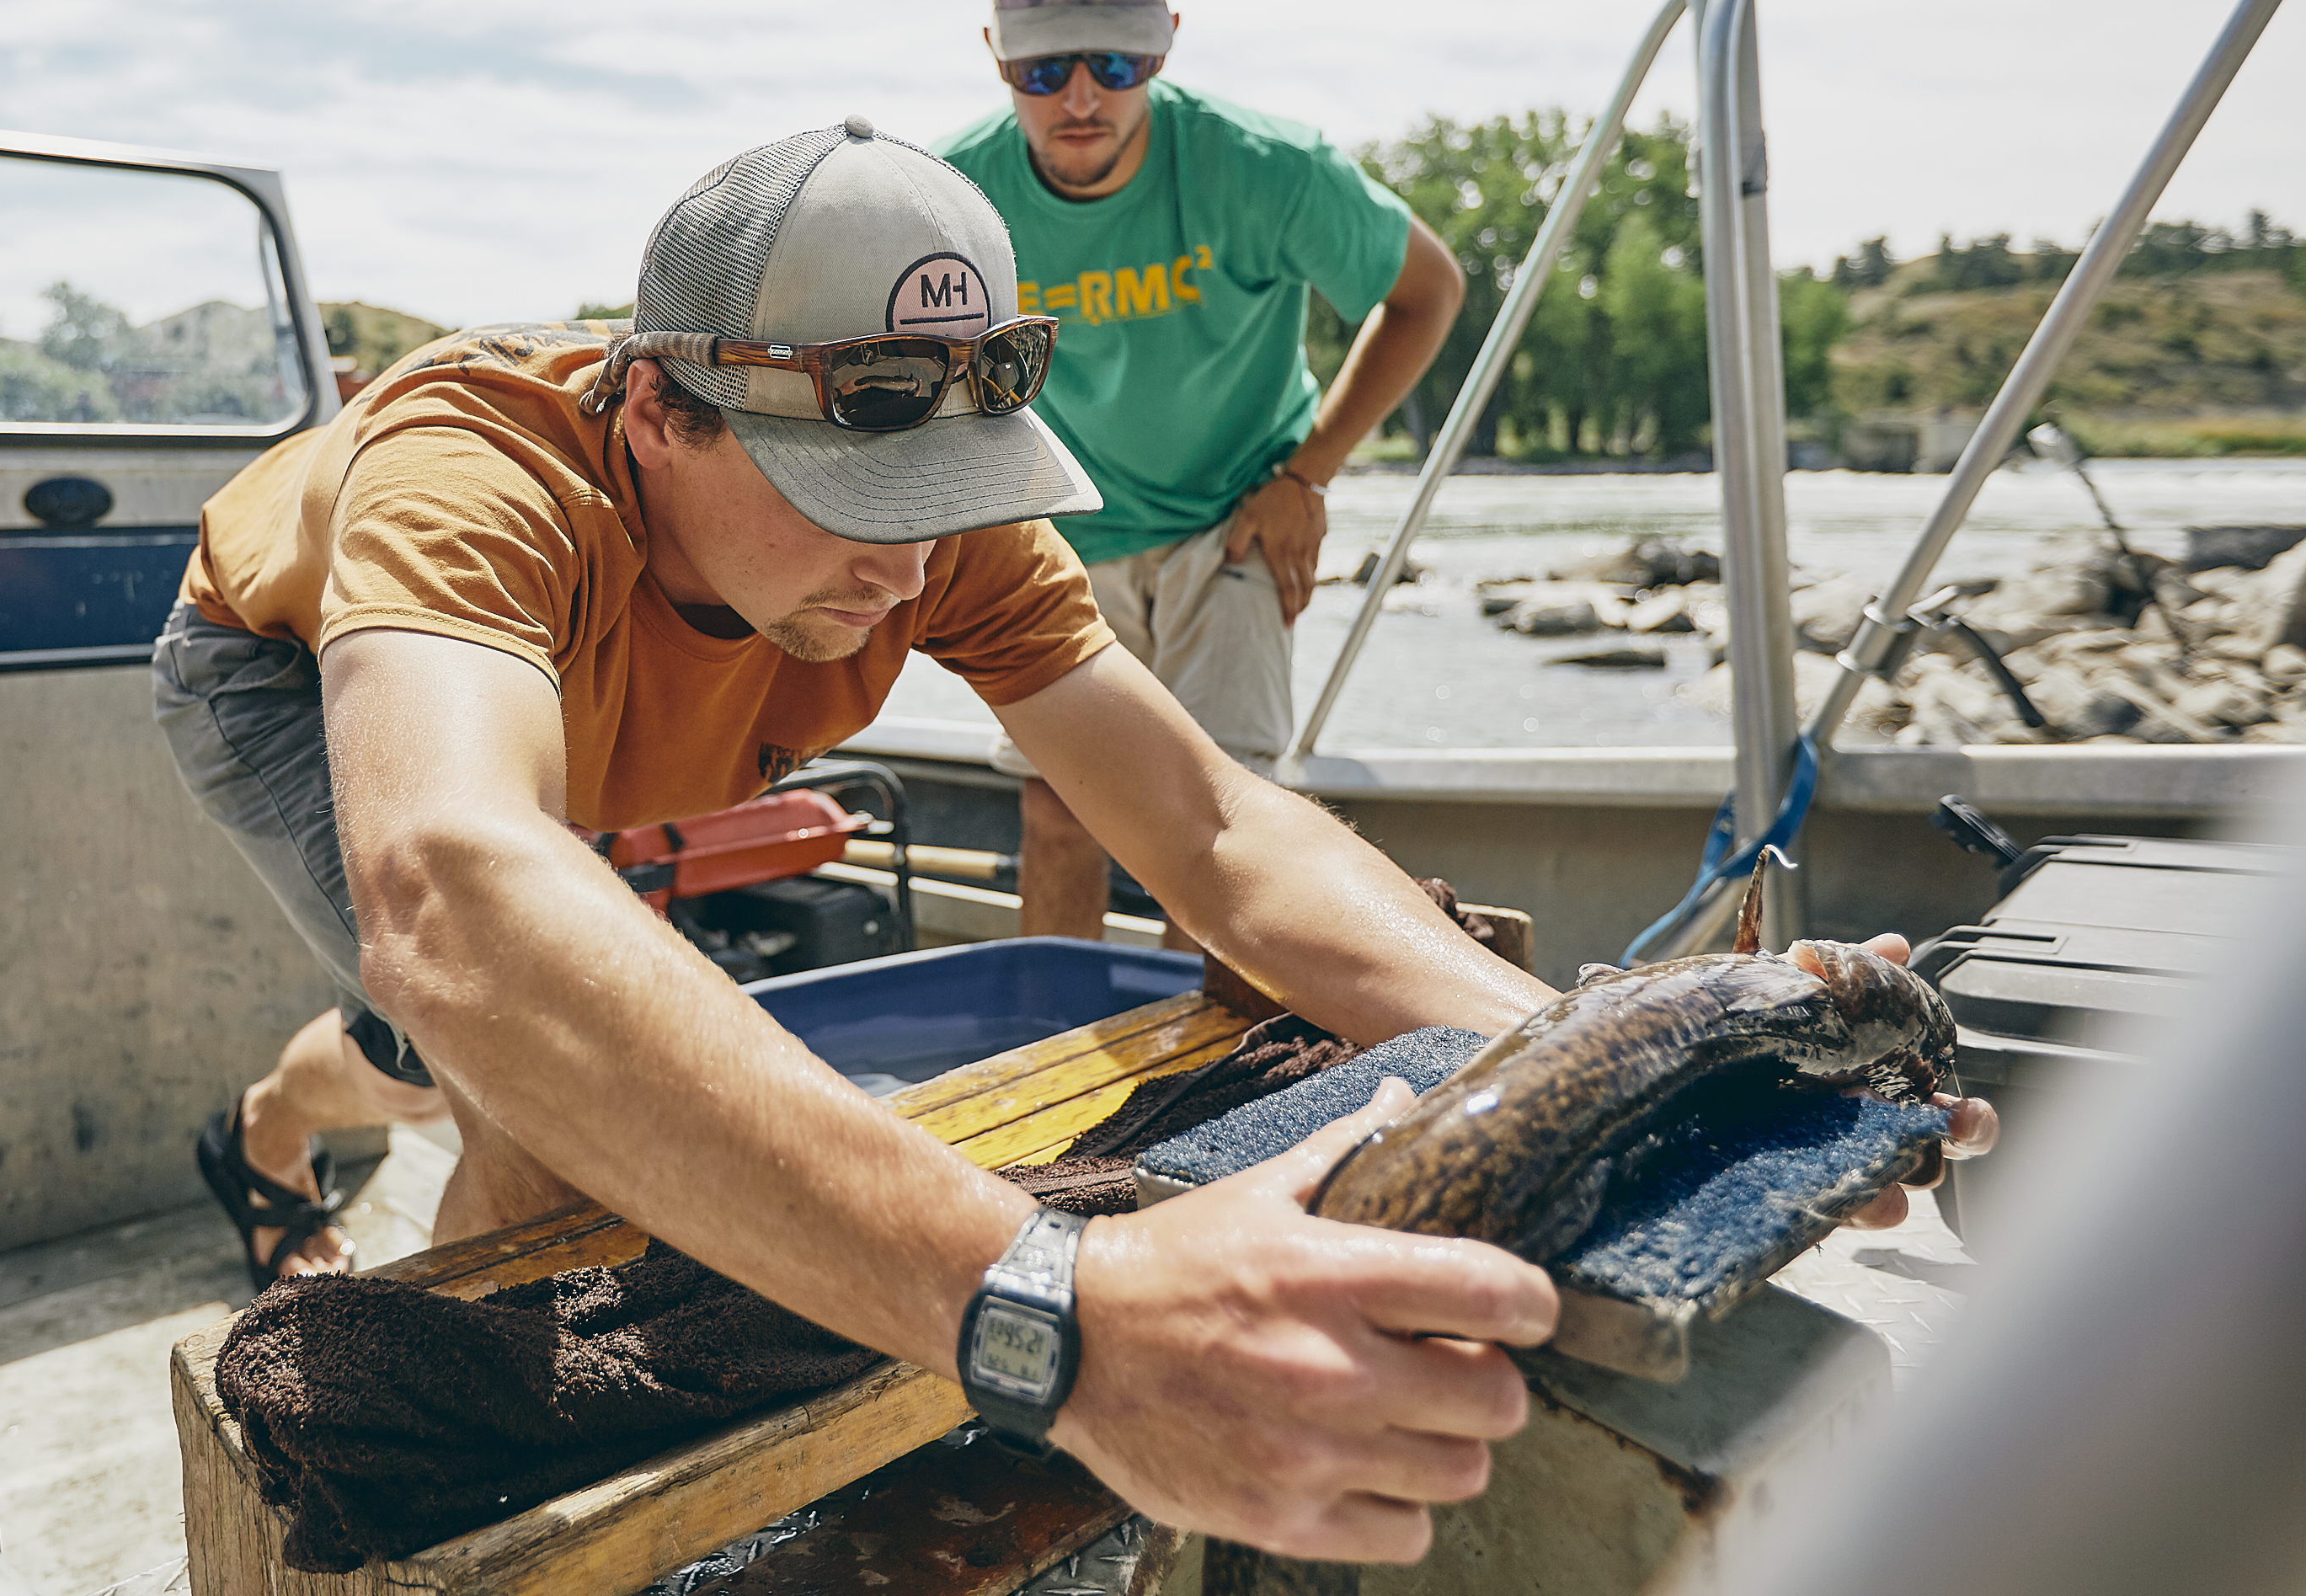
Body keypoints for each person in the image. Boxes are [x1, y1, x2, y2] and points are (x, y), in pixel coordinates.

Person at [151, 119, 1982, 1560]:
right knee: (526, 1085)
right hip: (313, 680)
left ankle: (338, 1111)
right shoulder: (472, 475)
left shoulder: (938, 520)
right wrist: (1056, 1314)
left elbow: (1210, 825)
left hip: (610, 729)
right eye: (845, 495)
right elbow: (456, 887)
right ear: (656, 405)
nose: (901, 566)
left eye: (944, 503)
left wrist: (1612, 1058)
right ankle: (368, 1326)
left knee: (530, 1047)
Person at [938, 0, 1465, 942]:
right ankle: (1056, 1071)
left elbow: (1428, 293)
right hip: (1058, 526)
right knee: (1056, 813)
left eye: (1117, 64)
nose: (1081, 97)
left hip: (1235, 520)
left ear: (1168, 43)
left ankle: (1212, 1098)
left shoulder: (1268, 171)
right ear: (995, 51)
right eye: (1044, 69)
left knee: (1224, 830)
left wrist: (1306, 476)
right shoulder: (952, 197)